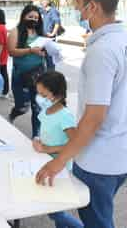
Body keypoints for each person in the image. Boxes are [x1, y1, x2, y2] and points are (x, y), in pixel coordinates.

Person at [36, 0, 127, 228]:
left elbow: (94, 118)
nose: (74, 5)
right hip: (123, 154)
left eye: (78, 0)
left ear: (92, 6)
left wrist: (59, 161)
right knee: (100, 216)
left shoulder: (101, 51)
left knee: (98, 222)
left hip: (99, 161)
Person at [32, 71, 84, 228]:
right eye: (38, 93)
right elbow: (47, 131)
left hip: (60, 169)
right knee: (56, 208)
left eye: (43, 94)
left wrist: (49, 148)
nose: (39, 97)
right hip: (46, 162)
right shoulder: (47, 109)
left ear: (56, 94)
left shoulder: (64, 116)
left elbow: (76, 143)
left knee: (56, 211)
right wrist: (38, 140)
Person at [7, 4, 46, 138]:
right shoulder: (15, 32)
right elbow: (11, 52)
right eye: (31, 16)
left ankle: (36, 135)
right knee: (22, 106)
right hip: (20, 76)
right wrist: (30, 50)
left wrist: (46, 52)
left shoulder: (40, 33)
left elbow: (45, 49)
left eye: (36, 17)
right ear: (24, 16)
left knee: (38, 107)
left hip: (38, 75)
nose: (33, 20)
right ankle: (14, 113)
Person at [41, 0, 62, 70]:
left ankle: (50, 77)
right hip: (43, 38)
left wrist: (53, 33)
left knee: (50, 60)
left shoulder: (53, 11)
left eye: (43, 1)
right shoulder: (44, 11)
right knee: (44, 59)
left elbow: (57, 23)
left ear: (47, 3)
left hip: (49, 39)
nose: (41, 2)